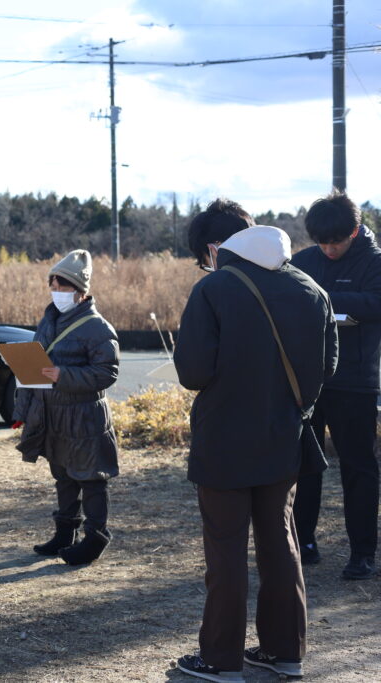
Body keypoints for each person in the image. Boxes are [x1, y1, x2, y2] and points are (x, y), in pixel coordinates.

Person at [173, 199, 337, 683]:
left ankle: (221, 660)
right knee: (280, 543)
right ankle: (285, 652)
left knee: (225, 551)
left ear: (214, 247)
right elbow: (327, 368)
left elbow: (192, 371)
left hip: (224, 439)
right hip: (284, 436)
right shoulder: (311, 287)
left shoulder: (215, 288)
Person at [291, 192, 381, 580]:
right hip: (309, 381)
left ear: (355, 231)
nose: (328, 250)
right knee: (304, 467)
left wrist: (322, 298)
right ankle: (304, 543)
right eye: (322, 242)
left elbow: (375, 302)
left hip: (357, 383)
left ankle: (362, 552)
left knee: (358, 468)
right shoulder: (304, 260)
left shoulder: (375, 262)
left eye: (337, 242)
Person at [12, 249, 120, 565]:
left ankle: (95, 538)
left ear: (81, 291)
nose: (57, 293)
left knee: (91, 478)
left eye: (64, 287)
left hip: (85, 418)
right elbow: (32, 369)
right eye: (54, 286)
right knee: (63, 475)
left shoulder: (98, 327)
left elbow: (107, 372)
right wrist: (21, 413)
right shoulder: (48, 320)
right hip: (53, 416)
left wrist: (64, 375)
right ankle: (64, 533)